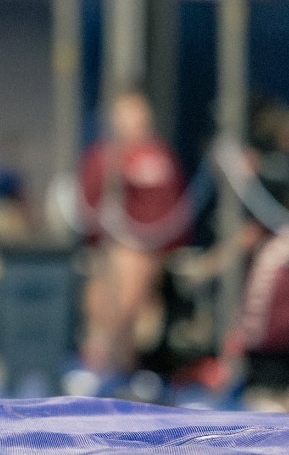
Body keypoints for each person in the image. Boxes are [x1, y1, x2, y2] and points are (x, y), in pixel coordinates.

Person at [77, 90, 188, 382]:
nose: (134, 123)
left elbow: (174, 203)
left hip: (151, 249)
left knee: (132, 288)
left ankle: (121, 363)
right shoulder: (102, 156)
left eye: (139, 115)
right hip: (112, 247)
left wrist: (166, 247)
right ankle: (104, 359)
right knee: (108, 296)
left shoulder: (159, 155)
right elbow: (88, 204)